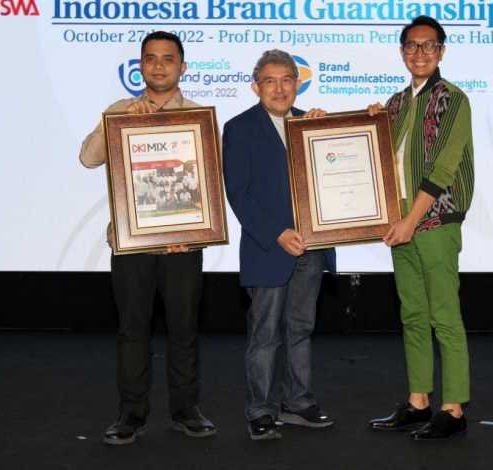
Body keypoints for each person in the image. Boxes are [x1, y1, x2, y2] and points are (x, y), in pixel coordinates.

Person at [79, 31, 215, 445]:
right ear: (140, 66)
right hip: (132, 241)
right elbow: (88, 158)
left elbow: (211, 179)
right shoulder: (119, 111)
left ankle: (186, 410)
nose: (158, 66)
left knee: (183, 329)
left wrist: (195, 232)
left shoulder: (198, 117)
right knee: (132, 330)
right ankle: (131, 413)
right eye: (151, 58)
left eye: (168, 59)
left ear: (182, 67)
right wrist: (119, 122)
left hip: (182, 244)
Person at [367, 16, 475, 440]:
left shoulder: (454, 99)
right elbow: (377, 155)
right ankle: (418, 402)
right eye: (412, 46)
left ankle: (454, 409)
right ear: (402, 52)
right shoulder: (395, 103)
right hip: (401, 224)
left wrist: (412, 221)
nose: (420, 53)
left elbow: (445, 167)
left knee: (444, 315)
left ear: (441, 51)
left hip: (433, 222)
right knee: (412, 314)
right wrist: (369, 121)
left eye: (429, 45)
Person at [222, 49, 336, 440]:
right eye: (269, 81)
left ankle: (298, 403)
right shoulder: (239, 128)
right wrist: (278, 233)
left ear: (297, 84)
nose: (279, 88)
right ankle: (260, 410)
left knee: (301, 329)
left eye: (287, 79)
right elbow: (238, 193)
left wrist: (330, 134)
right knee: (265, 334)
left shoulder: (311, 124)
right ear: (256, 87)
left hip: (312, 247)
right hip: (268, 248)